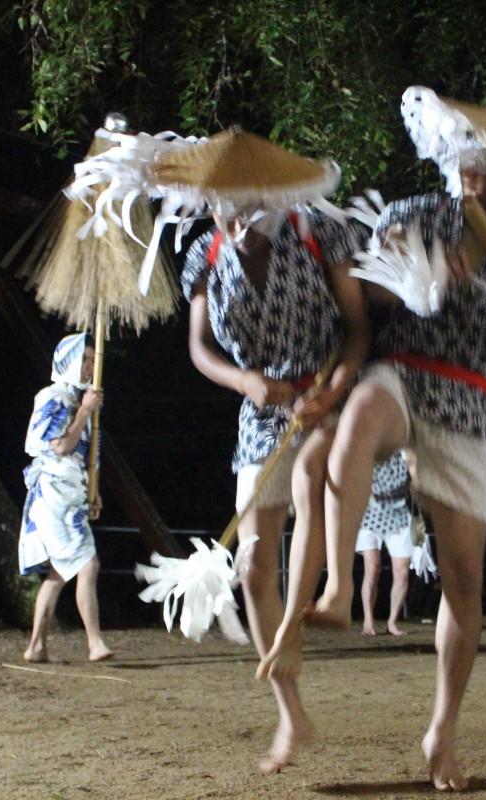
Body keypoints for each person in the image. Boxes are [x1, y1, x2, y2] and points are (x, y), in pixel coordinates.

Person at [262, 87, 486, 791]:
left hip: (471, 396)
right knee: (357, 423)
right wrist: (416, 279)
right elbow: (365, 295)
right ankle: (335, 589)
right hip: (405, 371)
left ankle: (442, 732)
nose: (473, 181)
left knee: (464, 580)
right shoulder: (416, 212)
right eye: (465, 166)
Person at [177, 134, 369, 773]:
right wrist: (245, 382)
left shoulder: (322, 235)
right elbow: (200, 350)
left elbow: (360, 329)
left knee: (313, 479)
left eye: (240, 209)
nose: (229, 222)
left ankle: (303, 620)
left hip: (329, 396)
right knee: (252, 564)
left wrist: (331, 392)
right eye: (218, 210)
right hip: (260, 413)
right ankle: (291, 712)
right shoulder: (203, 254)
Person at [19, 333, 112, 664]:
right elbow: (59, 446)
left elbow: (86, 455)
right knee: (88, 564)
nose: (89, 366)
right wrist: (85, 411)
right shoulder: (54, 397)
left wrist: (93, 491)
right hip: (54, 497)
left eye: (92, 360)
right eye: (84, 359)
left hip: (69, 495)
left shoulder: (76, 401)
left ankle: (36, 646)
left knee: (59, 572)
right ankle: (94, 642)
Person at [356, 450, 414, 636]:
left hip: (399, 512)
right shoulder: (368, 442)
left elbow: (416, 476)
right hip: (369, 511)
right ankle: (368, 621)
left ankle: (392, 622)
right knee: (372, 568)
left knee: (402, 571)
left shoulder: (405, 448)